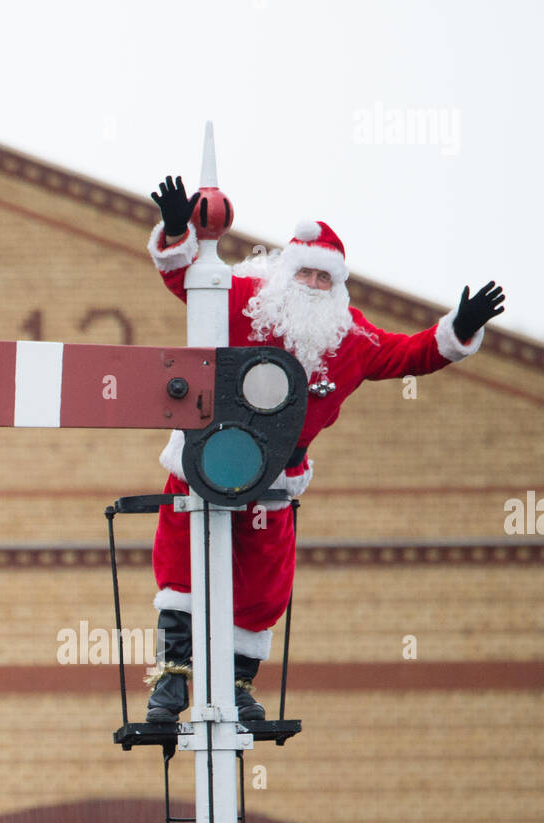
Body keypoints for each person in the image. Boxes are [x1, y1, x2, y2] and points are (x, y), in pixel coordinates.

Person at [144, 175, 505, 724]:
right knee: (180, 561)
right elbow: (186, 280)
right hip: (204, 457)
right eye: (304, 273)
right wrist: (176, 231)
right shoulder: (242, 298)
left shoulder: (350, 338)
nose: (312, 285)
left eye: (323, 277)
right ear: (286, 272)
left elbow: (411, 354)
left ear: (336, 287)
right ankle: (173, 676)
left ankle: (239, 684)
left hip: (276, 477)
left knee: (264, 579)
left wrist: (459, 328)